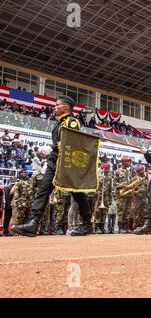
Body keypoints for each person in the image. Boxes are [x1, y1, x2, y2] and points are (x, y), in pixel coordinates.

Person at [10, 95, 93, 237]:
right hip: (54, 162)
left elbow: (71, 143)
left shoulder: (72, 122)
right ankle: (33, 223)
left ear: (66, 107)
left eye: (57, 105)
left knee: (77, 193)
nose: (54, 107)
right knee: (43, 190)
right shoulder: (58, 123)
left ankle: (86, 224)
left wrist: (52, 149)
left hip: (66, 164)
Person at [114, 157, 133, 234]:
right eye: (128, 162)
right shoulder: (117, 171)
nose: (129, 163)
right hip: (121, 195)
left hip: (129, 194)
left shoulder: (129, 171)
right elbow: (114, 184)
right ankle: (120, 228)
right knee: (121, 211)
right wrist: (123, 185)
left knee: (127, 211)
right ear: (124, 162)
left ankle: (125, 227)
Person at [94, 162, 112, 234]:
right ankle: (97, 227)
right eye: (108, 168)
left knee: (105, 212)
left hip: (106, 197)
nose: (109, 169)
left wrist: (110, 199)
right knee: (98, 212)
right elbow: (96, 187)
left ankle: (102, 226)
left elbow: (110, 189)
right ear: (104, 169)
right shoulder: (99, 176)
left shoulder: (109, 177)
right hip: (99, 196)